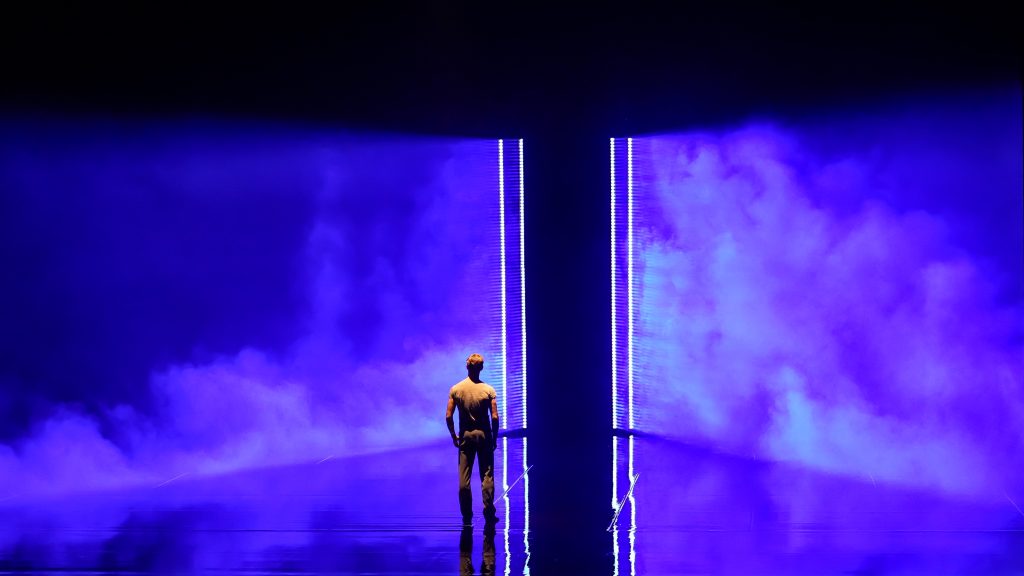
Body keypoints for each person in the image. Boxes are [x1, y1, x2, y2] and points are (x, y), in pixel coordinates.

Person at [446, 353, 499, 526]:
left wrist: (454, 435)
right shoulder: (488, 390)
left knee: (464, 478)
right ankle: (488, 510)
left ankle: (467, 514)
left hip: (466, 437)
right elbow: (495, 417)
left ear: (467, 366)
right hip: (484, 435)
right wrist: (495, 438)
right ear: (481, 368)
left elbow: (448, 416)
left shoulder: (456, 389)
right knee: (487, 475)